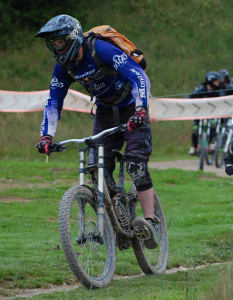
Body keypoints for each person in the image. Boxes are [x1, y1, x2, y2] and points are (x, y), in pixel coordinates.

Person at [34, 15, 158, 249]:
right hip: (104, 112)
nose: (55, 47)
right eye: (51, 44)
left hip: (132, 107)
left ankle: (151, 221)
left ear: (71, 38)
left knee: (136, 165)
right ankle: (119, 223)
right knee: (97, 169)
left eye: (58, 42)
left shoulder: (99, 49)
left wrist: (141, 110)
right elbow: (53, 101)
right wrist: (46, 136)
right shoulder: (63, 67)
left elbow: (138, 76)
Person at [188, 71, 223, 155]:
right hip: (199, 113)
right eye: (216, 81)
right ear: (211, 81)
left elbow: (224, 99)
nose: (218, 83)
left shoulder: (218, 91)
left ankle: (211, 144)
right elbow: (189, 97)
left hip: (212, 114)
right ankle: (194, 147)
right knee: (195, 129)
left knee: (213, 126)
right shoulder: (201, 89)